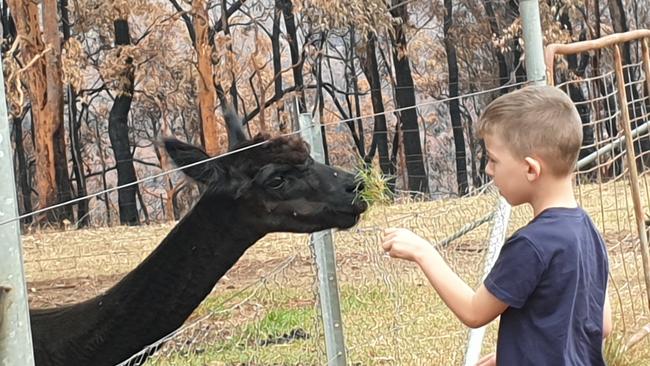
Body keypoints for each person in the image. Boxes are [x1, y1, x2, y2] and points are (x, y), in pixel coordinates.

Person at [381, 85, 612, 365]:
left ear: (530, 169)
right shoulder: (588, 230)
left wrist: (423, 252)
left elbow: (474, 312)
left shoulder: (531, 245)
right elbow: (602, 325)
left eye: (493, 159)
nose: (488, 170)